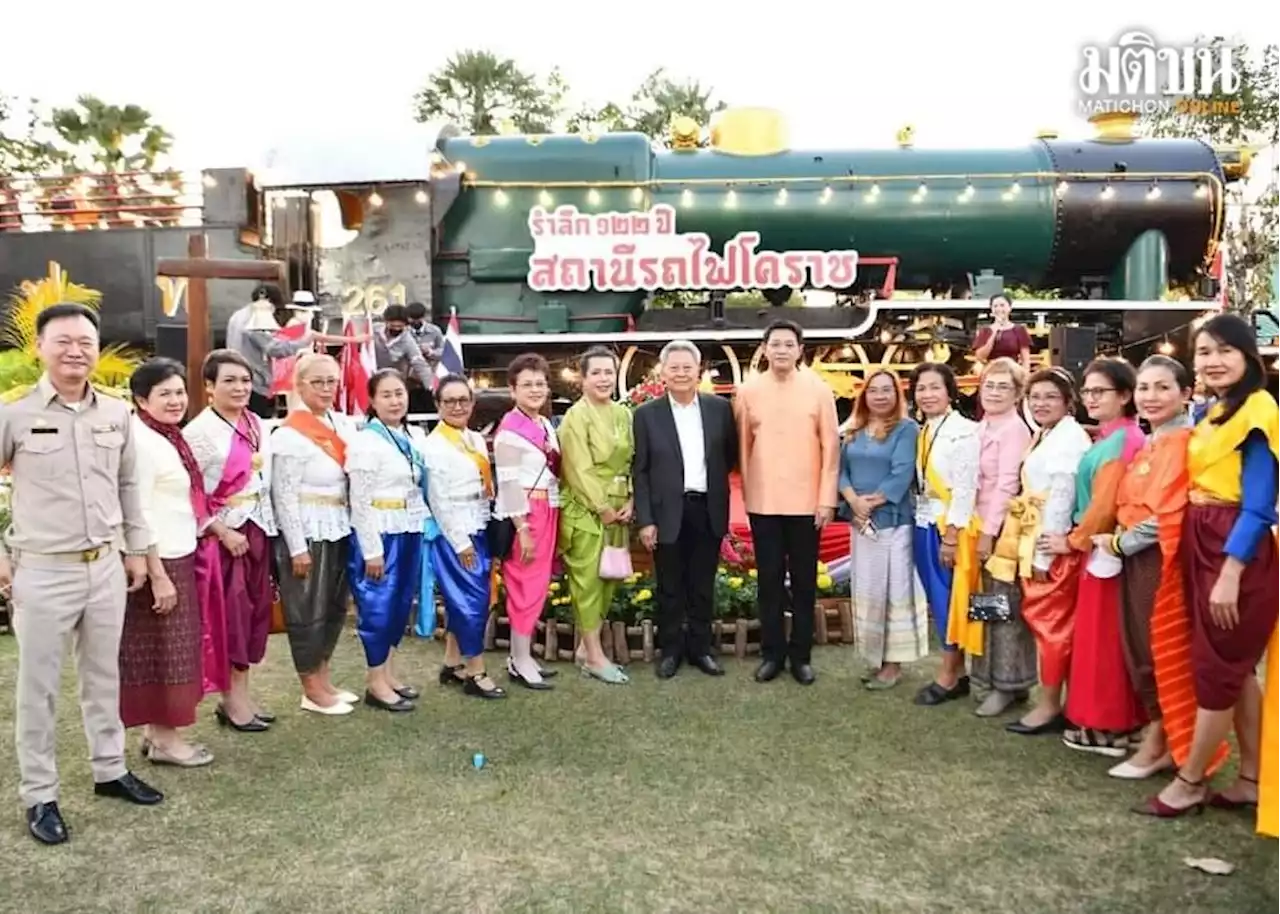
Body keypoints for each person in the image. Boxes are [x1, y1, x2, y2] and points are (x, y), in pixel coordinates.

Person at [0, 302, 162, 846]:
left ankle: (109, 769)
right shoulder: (14, 414)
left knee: (103, 678)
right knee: (38, 689)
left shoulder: (116, 413)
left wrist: (137, 550)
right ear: (40, 348)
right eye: (64, 341)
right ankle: (40, 794)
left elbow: (128, 487)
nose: (76, 351)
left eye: (86, 342)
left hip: (105, 569)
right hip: (43, 573)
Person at [1137, 314, 1280, 822]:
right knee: (1235, 673)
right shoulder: (1216, 411)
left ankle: (1190, 780)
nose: (1213, 361)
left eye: (1225, 350)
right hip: (1201, 539)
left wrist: (1231, 570)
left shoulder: (1260, 410)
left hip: (1232, 549)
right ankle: (1252, 780)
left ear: (1247, 356)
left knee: (1217, 670)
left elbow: (1260, 504)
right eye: (1203, 352)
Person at [1099, 356, 1221, 780]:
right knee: (1140, 647)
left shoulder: (1185, 441)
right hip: (1136, 554)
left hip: (1160, 556)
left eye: (1163, 387)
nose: (1151, 396)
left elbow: (1171, 510)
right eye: (1145, 387)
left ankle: (1160, 744)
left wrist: (1120, 542)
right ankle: (1164, 739)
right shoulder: (1154, 441)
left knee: (1158, 650)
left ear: (1187, 393)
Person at [736, 319, 839, 685]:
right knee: (768, 581)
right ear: (764, 349)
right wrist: (748, 498)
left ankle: (801, 655)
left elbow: (831, 447)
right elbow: (743, 448)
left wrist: (827, 499)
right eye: (774, 344)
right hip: (764, 502)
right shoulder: (748, 391)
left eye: (788, 344)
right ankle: (772, 653)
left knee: (805, 582)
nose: (781, 350)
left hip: (807, 503)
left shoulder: (819, 390)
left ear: (800, 350)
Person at [121, 358, 213, 768]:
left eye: (179, 392)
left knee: (167, 649)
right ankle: (166, 739)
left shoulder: (167, 436)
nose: (176, 400)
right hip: (160, 561)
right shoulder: (141, 442)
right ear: (142, 400)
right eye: (165, 394)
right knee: (166, 653)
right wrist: (158, 575)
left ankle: (154, 731)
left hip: (178, 551)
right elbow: (137, 511)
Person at [1053, 359, 1147, 757]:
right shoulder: (1112, 437)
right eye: (1087, 392)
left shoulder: (1122, 441)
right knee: (1101, 639)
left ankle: (1108, 725)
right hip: (1102, 548)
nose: (1090, 398)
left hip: (1105, 550)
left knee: (1104, 641)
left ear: (1124, 396)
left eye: (1099, 392)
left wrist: (1073, 540)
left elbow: (1104, 504)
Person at [993, 367, 1092, 736]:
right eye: (1035, 397)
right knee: (1047, 624)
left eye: (1050, 396)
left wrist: (1044, 554)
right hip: (1033, 534)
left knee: (1050, 625)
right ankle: (1053, 701)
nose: (1041, 403)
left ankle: (1049, 705)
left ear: (1068, 401)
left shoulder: (1069, 439)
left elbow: (1062, 494)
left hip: (1050, 544)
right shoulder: (1045, 433)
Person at [184, 349, 278, 733]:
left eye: (244, 380)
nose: (240, 388)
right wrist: (220, 530)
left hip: (256, 529)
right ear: (209, 387)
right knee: (231, 620)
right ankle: (231, 701)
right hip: (222, 539)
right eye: (229, 381)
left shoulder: (256, 423)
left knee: (255, 615)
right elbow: (188, 493)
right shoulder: (199, 433)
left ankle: (243, 695)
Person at [633, 340, 738, 680]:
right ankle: (671, 650)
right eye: (673, 367)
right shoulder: (646, 415)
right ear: (662, 373)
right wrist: (646, 519)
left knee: (703, 585)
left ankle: (701, 649)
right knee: (669, 586)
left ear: (699, 371)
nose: (680, 373)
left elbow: (730, 456)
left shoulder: (720, 409)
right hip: (667, 513)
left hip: (707, 507)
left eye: (687, 367)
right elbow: (642, 471)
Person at [270, 352, 361, 715]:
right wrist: (296, 547)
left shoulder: (342, 425)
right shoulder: (290, 434)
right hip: (307, 529)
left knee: (333, 606)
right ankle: (309, 685)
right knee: (306, 607)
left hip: (339, 524)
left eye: (331, 381)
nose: (326, 388)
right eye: (317, 381)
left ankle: (323, 676)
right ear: (300, 384)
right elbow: (284, 495)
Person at [347, 369, 429, 711]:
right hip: (380, 532)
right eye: (386, 395)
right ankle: (375, 681)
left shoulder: (409, 435)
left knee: (398, 605)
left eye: (399, 393)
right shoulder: (366, 441)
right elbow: (360, 500)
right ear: (372, 401)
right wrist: (371, 550)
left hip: (407, 527)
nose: (395, 401)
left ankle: (390, 673)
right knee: (378, 607)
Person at [423, 374, 506, 699]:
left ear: (472, 403)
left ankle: (452, 662)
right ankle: (476, 671)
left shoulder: (473, 438)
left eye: (463, 400)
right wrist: (460, 541)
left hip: (480, 523)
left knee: (470, 598)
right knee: (471, 601)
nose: (457, 406)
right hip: (455, 532)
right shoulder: (432, 445)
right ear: (438, 406)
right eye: (450, 401)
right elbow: (437, 499)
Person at [840, 370, 923, 689]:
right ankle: (875, 657)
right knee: (869, 590)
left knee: (893, 590)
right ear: (864, 395)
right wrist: (853, 502)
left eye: (887, 390)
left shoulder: (906, 429)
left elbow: (901, 474)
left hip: (891, 522)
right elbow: (840, 470)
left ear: (897, 395)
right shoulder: (853, 429)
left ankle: (893, 664)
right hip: (860, 524)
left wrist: (868, 504)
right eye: (873, 390)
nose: (880, 396)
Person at [558, 347, 635, 684]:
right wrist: (601, 507)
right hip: (587, 511)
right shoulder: (577, 416)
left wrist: (631, 497)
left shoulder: (623, 414)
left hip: (619, 509)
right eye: (596, 373)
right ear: (583, 378)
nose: (603, 379)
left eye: (608, 372)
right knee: (587, 581)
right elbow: (577, 468)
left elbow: (633, 460)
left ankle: (585, 649)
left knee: (608, 578)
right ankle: (594, 655)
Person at [907, 363, 981, 706]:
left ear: (951, 392)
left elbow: (966, 489)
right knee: (940, 601)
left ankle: (950, 675)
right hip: (924, 522)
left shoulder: (965, 431)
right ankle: (958, 671)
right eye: (921, 388)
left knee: (948, 600)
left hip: (949, 529)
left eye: (935, 387)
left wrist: (951, 536)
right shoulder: (925, 430)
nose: (928, 394)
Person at [968, 358, 1037, 717]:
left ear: (1017, 393)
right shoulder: (983, 425)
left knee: (1004, 608)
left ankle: (1009, 684)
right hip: (976, 525)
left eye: (1002, 387)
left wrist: (988, 533)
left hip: (1001, 532)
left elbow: (1007, 484)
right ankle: (989, 678)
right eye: (989, 386)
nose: (993, 393)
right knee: (986, 606)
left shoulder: (1014, 430)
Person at [493, 353, 562, 689]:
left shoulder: (544, 424)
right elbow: (507, 485)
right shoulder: (509, 431)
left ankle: (522, 654)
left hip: (549, 508)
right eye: (527, 385)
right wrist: (523, 529)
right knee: (524, 586)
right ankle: (519, 659)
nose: (535, 390)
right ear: (512, 390)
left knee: (537, 586)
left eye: (540, 384)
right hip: (525, 515)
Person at [376, 303, 435, 391]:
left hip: (393, 382)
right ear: (385, 322)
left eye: (400, 326)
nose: (396, 329)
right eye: (392, 326)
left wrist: (432, 388)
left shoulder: (408, 341)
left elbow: (420, 364)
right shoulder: (373, 331)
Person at [972, 292, 1032, 372]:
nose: (999, 309)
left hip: (1012, 371)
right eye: (995, 306)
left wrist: (1025, 376)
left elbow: (1025, 359)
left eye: (1002, 305)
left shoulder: (1019, 329)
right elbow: (980, 357)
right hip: (991, 371)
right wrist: (994, 333)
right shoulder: (985, 330)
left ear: (1009, 308)